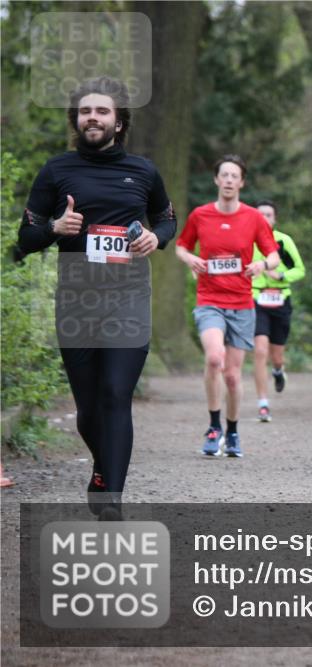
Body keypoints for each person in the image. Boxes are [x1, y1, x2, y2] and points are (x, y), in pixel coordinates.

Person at [14, 77, 177, 519]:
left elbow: (166, 218)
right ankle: (103, 469)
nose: (93, 117)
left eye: (103, 111)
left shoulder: (143, 171)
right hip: (76, 300)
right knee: (87, 407)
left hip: (128, 297)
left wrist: (154, 238)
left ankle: (111, 500)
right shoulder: (55, 171)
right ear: (76, 119)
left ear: (119, 122)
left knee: (114, 393)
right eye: (86, 111)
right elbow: (23, 239)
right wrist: (52, 229)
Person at [175, 155, 279, 457]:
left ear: (242, 182)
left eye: (235, 175)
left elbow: (273, 254)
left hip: (242, 304)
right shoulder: (200, 215)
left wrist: (261, 264)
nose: (230, 180)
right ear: (217, 180)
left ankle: (232, 432)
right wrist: (190, 258)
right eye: (225, 175)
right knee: (213, 359)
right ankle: (213, 426)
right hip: (209, 302)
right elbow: (182, 246)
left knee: (233, 376)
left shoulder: (253, 218)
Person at [251, 199, 305, 422]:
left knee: (277, 354)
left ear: (275, 219)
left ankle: (278, 370)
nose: (264, 218)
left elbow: (300, 269)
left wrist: (282, 276)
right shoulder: (247, 240)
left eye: (268, 215)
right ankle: (263, 403)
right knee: (260, 350)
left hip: (281, 298)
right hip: (255, 298)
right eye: (260, 214)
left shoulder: (284, 241)